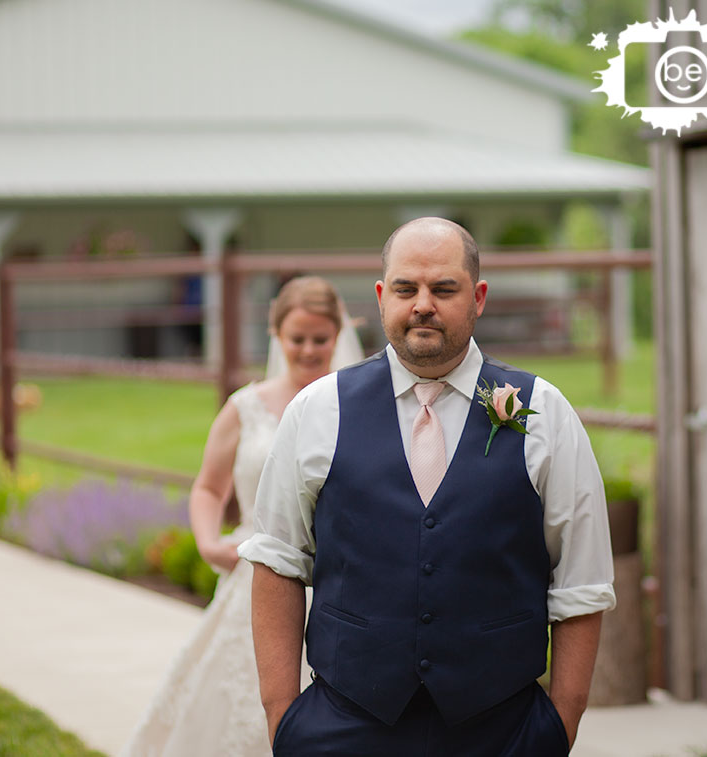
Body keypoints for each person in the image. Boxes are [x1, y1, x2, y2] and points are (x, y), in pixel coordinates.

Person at [239, 218, 616, 756]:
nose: (422, 304)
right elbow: (277, 558)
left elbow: (582, 580)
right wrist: (283, 717)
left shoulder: (543, 413)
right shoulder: (319, 410)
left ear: (478, 297)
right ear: (380, 296)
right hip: (343, 726)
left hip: (501, 731)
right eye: (405, 288)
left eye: (443, 288)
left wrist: (558, 727)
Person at [122, 275, 363, 757]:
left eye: (321, 339)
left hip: (339, 580)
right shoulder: (245, 408)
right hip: (254, 575)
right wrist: (209, 542)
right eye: (298, 339)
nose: (310, 350)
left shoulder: (355, 407)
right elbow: (210, 487)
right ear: (277, 336)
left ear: (338, 337)